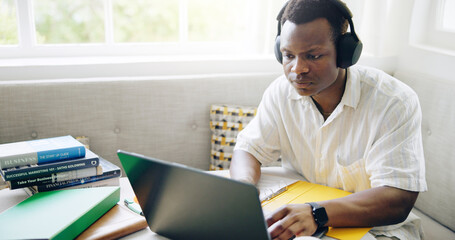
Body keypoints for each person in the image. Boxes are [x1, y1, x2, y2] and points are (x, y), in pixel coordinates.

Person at [229, 0, 427, 239]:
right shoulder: (280, 92)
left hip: (378, 231)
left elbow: (398, 199)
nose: (297, 69)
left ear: (345, 53)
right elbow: (248, 149)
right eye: (288, 55)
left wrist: (316, 213)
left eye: (313, 56)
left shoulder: (394, 101)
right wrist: (243, 192)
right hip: (307, 221)